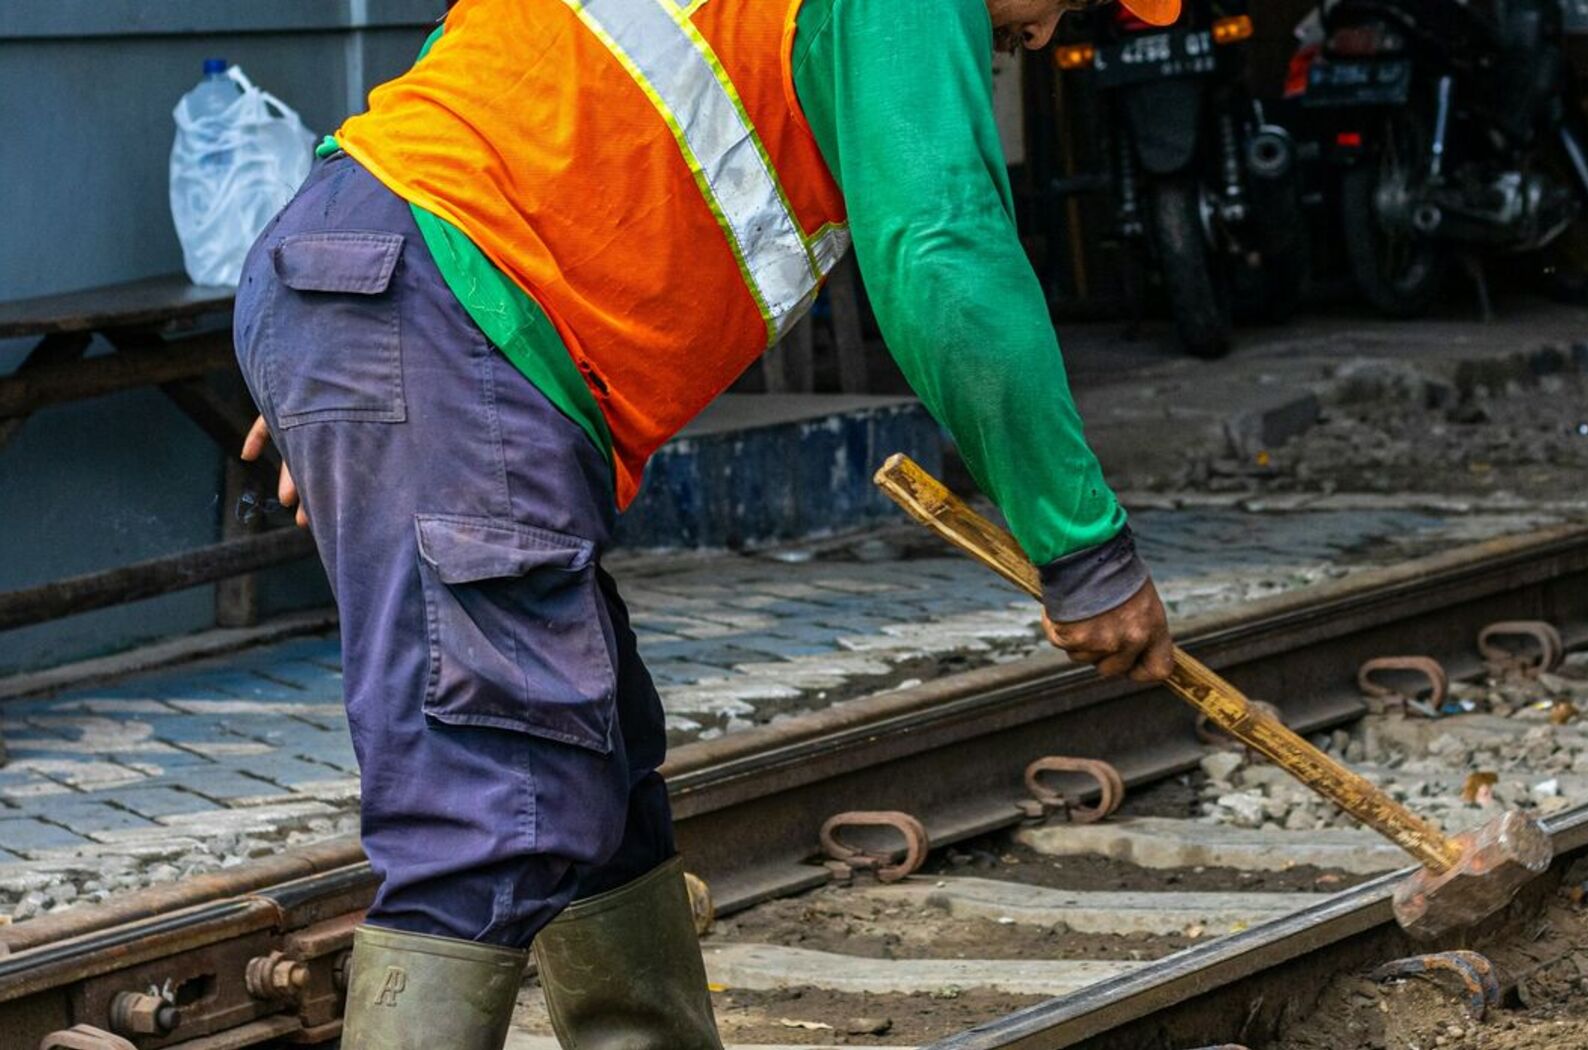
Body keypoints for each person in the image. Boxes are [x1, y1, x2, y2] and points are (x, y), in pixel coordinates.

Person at [232, 0, 1181, 1044]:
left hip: (374, 268)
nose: (1045, 37)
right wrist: (1083, 550)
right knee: (496, 799)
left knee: (590, 756)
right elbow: (944, 251)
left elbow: (502, 81)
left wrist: (351, 360)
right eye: (1077, 3)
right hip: (439, 296)